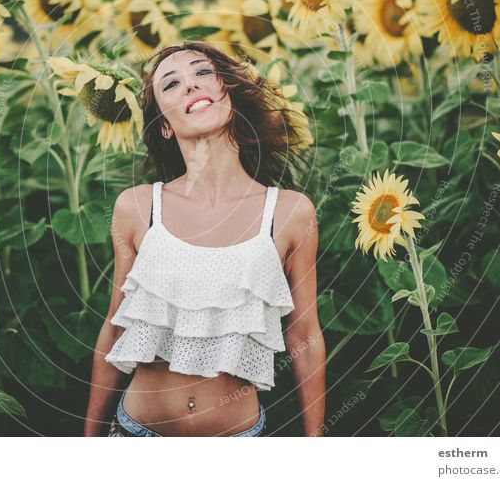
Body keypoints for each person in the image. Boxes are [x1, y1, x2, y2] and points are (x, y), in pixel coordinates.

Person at [84, 40, 325, 437]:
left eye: (201, 72)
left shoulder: (290, 213)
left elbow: (305, 335)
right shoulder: (137, 208)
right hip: (136, 436)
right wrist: (89, 443)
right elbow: (114, 328)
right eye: (171, 84)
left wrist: (315, 440)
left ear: (225, 90)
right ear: (163, 123)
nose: (191, 86)